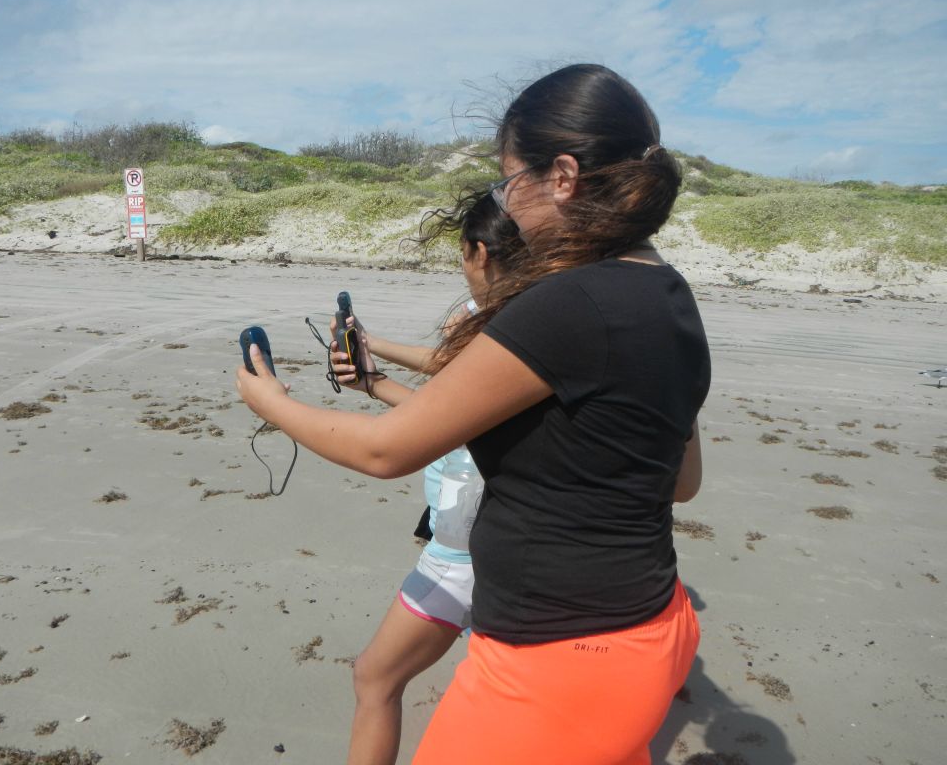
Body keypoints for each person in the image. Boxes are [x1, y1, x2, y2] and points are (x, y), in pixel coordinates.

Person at [238, 63, 709, 765]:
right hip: (651, 629)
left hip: (559, 659)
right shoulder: (668, 294)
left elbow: (384, 453)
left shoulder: (569, 305)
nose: (506, 203)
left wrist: (271, 402)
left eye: (507, 179)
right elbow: (681, 481)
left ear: (564, 176)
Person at [330, 191, 523, 765]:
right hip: (486, 542)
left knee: (378, 679)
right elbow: (450, 389)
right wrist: (373, 368)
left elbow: (402, 443)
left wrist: (272, 403)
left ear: (479, 253)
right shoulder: (538, 318)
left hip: (471, 548)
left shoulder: (514, 325)